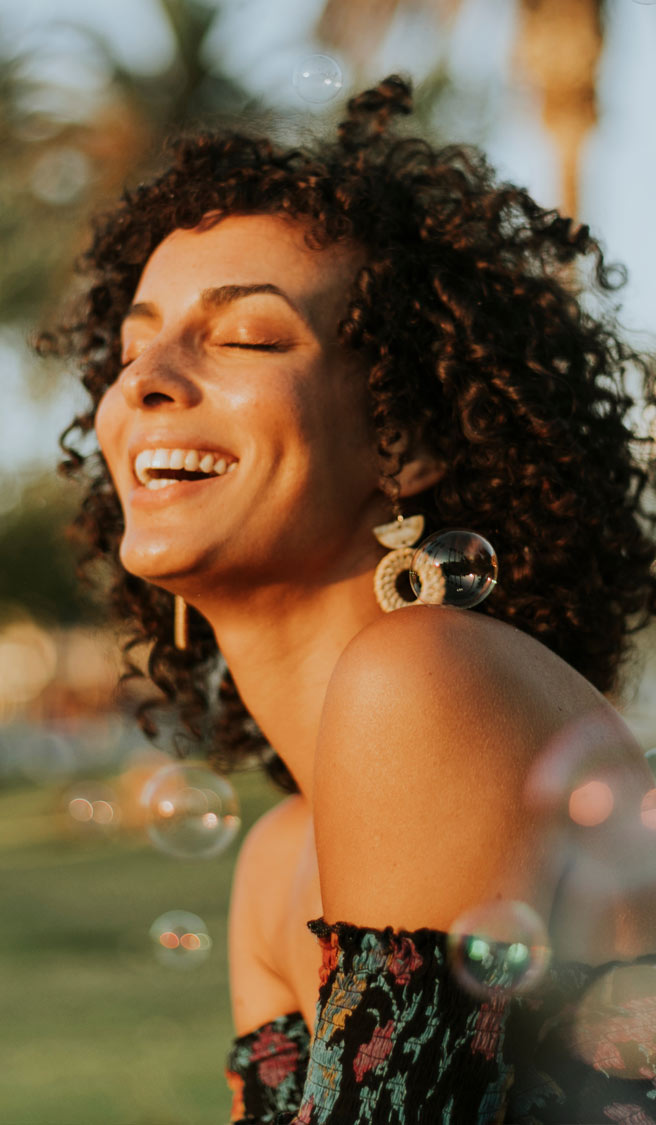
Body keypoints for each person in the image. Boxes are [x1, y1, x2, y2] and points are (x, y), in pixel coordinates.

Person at [48, 75, 656, 1123]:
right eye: (132, 344)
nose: (145, 378)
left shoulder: (424, 676)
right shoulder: (279, 853)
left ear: (403, 440)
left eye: (245, 337)